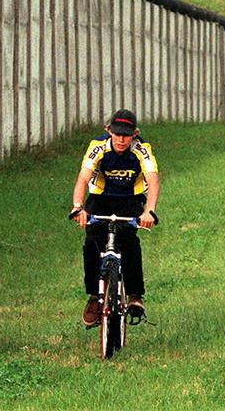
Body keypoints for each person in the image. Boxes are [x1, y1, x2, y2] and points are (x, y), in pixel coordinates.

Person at [70, 108, 160, 327]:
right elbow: (83, 177)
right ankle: (94, 296)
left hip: (130, 199)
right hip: (101, 198)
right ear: (108, 130)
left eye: (127, 135)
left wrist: (149, 211)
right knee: (92, 240)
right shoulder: (98, 146)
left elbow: (153, 180)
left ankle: (135, 296)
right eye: (117, 133)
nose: (121, 139)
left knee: (129, 241)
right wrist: (77, 207)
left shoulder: (142, 149)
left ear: (135, 133)